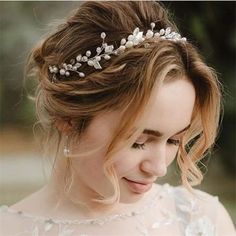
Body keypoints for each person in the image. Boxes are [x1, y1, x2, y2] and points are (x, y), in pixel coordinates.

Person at [0, 1, 235, 236]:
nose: (159, 167)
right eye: (138, 141)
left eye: (174, 140)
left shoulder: (201, 219)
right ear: (69, 118)